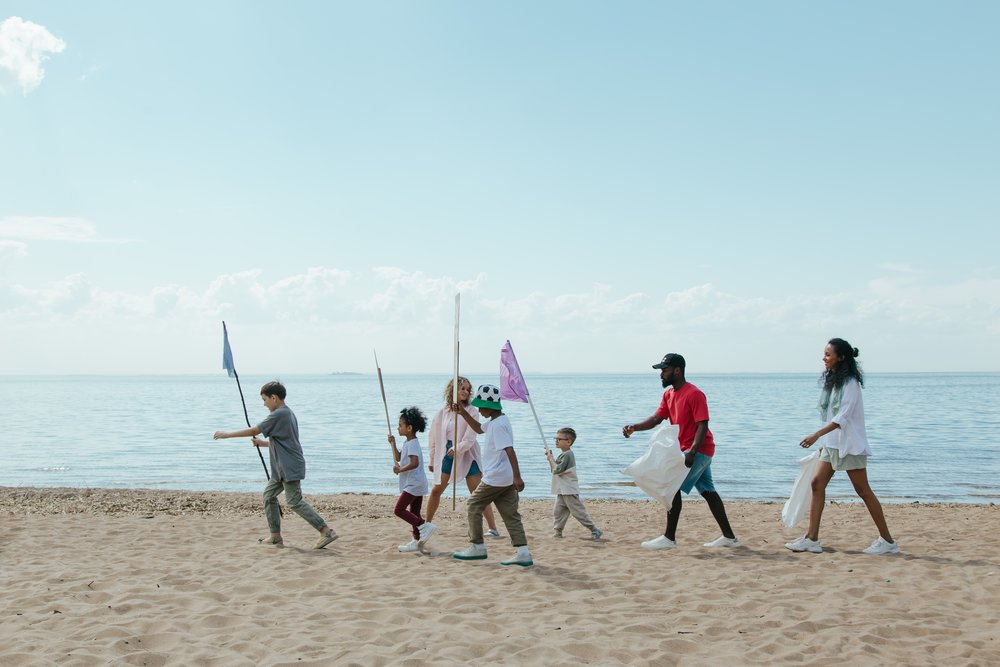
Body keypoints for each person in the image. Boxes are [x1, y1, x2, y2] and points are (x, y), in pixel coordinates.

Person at [785, 338, 899, 555]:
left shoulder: (851, 384)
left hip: (849, 445)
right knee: (817, 484)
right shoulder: (834, 383)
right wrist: (824, 442)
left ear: (842, 357)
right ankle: (812, 539)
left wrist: (816, 435)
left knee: (863, 491)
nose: (824, 358)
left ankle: (888, 542)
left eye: (828, 354)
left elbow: (842, 418)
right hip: (832, 445)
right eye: (824, 354)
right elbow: (830, 415)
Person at [622, 353, 739, 550]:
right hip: (686, 449)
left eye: (664, 370)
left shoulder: (694, 394)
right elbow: (656, 419)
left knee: (671, 487)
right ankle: (729, 537)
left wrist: (692, 452)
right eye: (660, 370)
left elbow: (702, 424)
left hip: (699, 449)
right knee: (708, 492)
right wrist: (635, 427)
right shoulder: (669, 395)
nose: (661, 374)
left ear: (678, 370)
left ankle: (669, 538)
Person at [213, 380, 338, 549]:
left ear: (273, 398)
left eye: (264, 400)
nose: (264, 404)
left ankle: (326, 531)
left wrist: (227, 434)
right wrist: (262, 444)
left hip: (289, 466)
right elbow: (283, 441)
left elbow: (254, 430)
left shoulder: (280, 414)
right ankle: (275, 537)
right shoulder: (287, 414)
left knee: (294, 501)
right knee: (268, 496)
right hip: (281, 468)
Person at [451, 384, 533, 566]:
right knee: (510, 514)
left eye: (481, 407)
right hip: (506, 477)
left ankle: (477, 547)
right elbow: (479, 429)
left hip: (496, 476)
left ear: (491, 407)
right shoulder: (499, 420)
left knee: (473, 504)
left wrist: (518, 477)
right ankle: (523, 553)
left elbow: (510, 450)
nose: (479, 410)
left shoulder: (498, 426)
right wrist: (463, 413)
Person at [425, 377, 501, 538]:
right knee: (436, 489)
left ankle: (493, 528)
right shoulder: (442, 412)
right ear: (453, 390)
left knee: (478, 492)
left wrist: (458, 448)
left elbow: (470, 438)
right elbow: (433, 438)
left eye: (468, 389)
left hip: (467, 453)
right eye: (462, 388)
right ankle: (426, 524)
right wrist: (432, 459)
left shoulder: (472, 410)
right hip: (446, 454)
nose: (466, 392)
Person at [388, 406, 436, 553]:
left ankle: (424, 526)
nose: (398, 428)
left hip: (414, 484)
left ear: (409, 428)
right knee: (414, 512)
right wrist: (393, 443)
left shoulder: (413, 443)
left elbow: (414, 463)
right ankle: (416, 541)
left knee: (399, 509)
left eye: (400, 426)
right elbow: (398, 457)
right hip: (416, 483)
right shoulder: (408, 443)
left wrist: (400, 470)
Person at [547, 427, 602, 540]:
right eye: (555, 438)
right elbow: (554, 470)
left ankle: (595, 530)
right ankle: (558, 532)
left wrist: (551, 459)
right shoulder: (563, 455)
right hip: (562, 489)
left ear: (568, 442)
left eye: (559, 439)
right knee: (558, 511)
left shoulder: (568, 455)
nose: (556, 441)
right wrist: (550, 459)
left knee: (578, 512)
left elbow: (558, 469)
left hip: (569, 489)